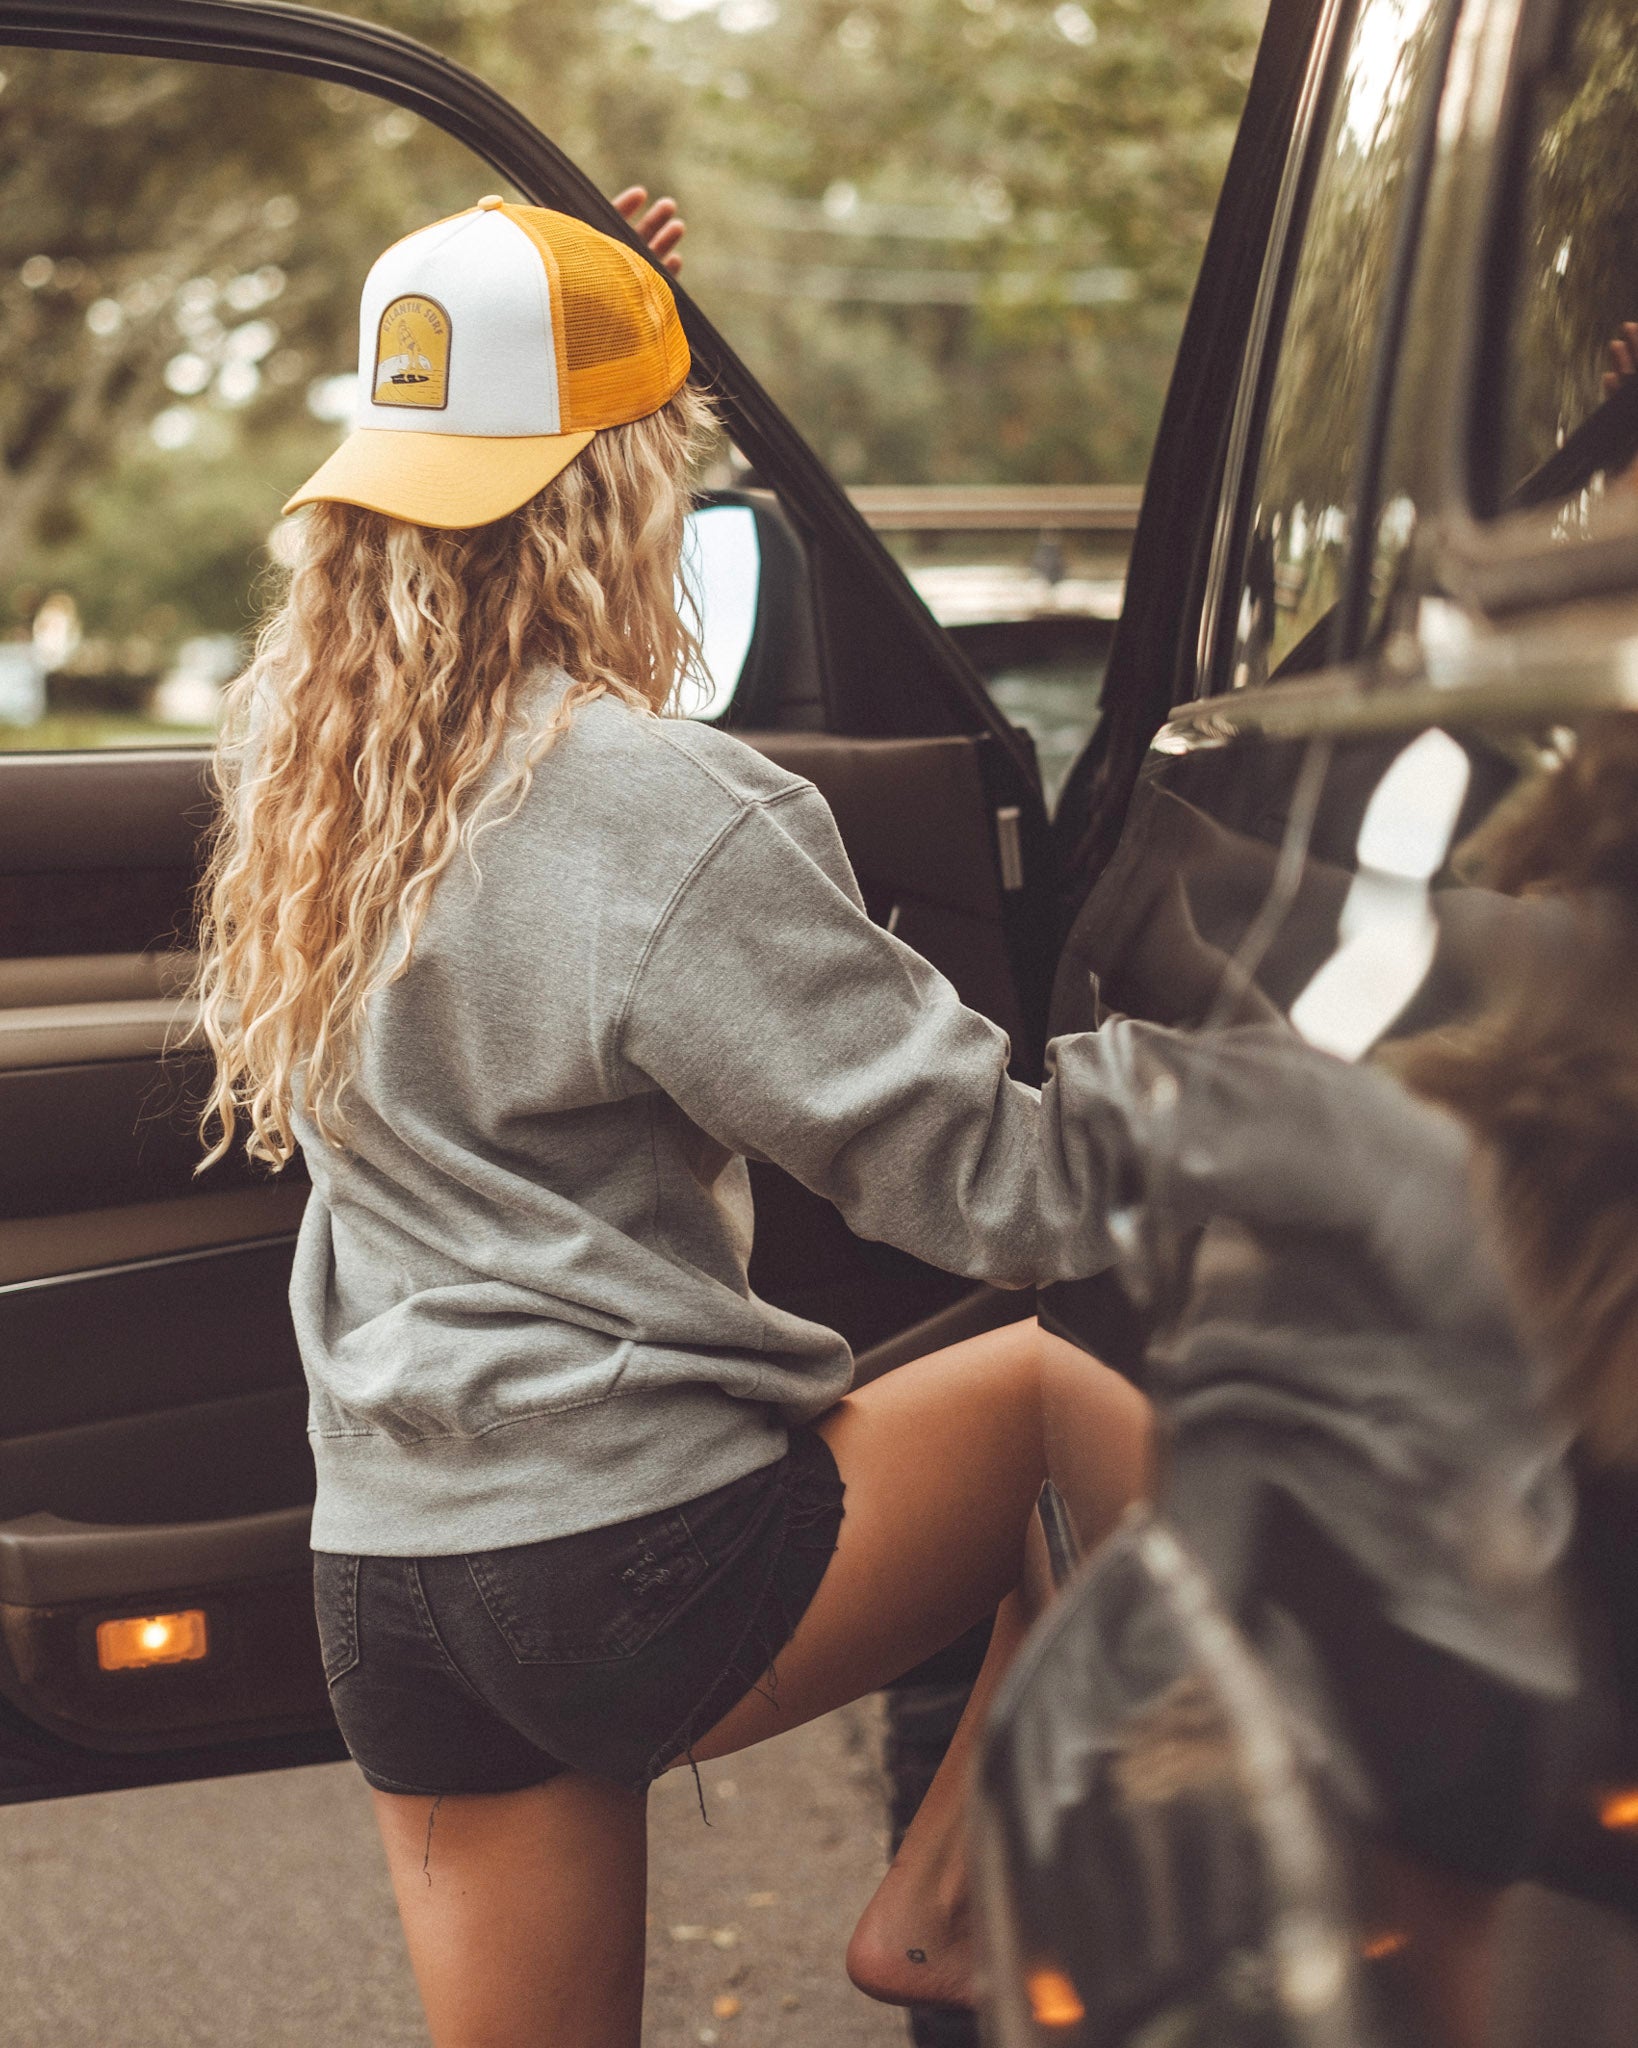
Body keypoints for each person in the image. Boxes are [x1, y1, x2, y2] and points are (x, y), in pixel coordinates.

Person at [191, 192, 1149, 2048]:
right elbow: (994, 1185)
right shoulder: (664, 805)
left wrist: (590, 302)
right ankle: (949, 1903)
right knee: (1079, 1388)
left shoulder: (301, 785)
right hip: (631, 1557)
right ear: (627, 496)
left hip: (390, 1576)